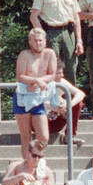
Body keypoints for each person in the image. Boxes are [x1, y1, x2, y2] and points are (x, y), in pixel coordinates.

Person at [29, 0, 83, 84]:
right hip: (51, 32)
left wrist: (79, 40)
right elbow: (33, 16)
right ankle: (53, 100)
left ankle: (72, 101)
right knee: (52, 66)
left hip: (68, 33)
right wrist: (41, 35)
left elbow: (76, 18)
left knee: (71, 67)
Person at [13, 26, 59, 156]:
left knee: (44, 137)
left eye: (40, 40)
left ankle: (38, 161)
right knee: (26, 137)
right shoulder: (24, 55)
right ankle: (27, 165)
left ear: (45, 41)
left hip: (38, 96)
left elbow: (52, 74)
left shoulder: (50, 54)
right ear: (30, 42)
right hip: (23, 96)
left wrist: (37, 81)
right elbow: (20, 76)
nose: (38, 43)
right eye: (35, 41)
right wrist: (36, 81)